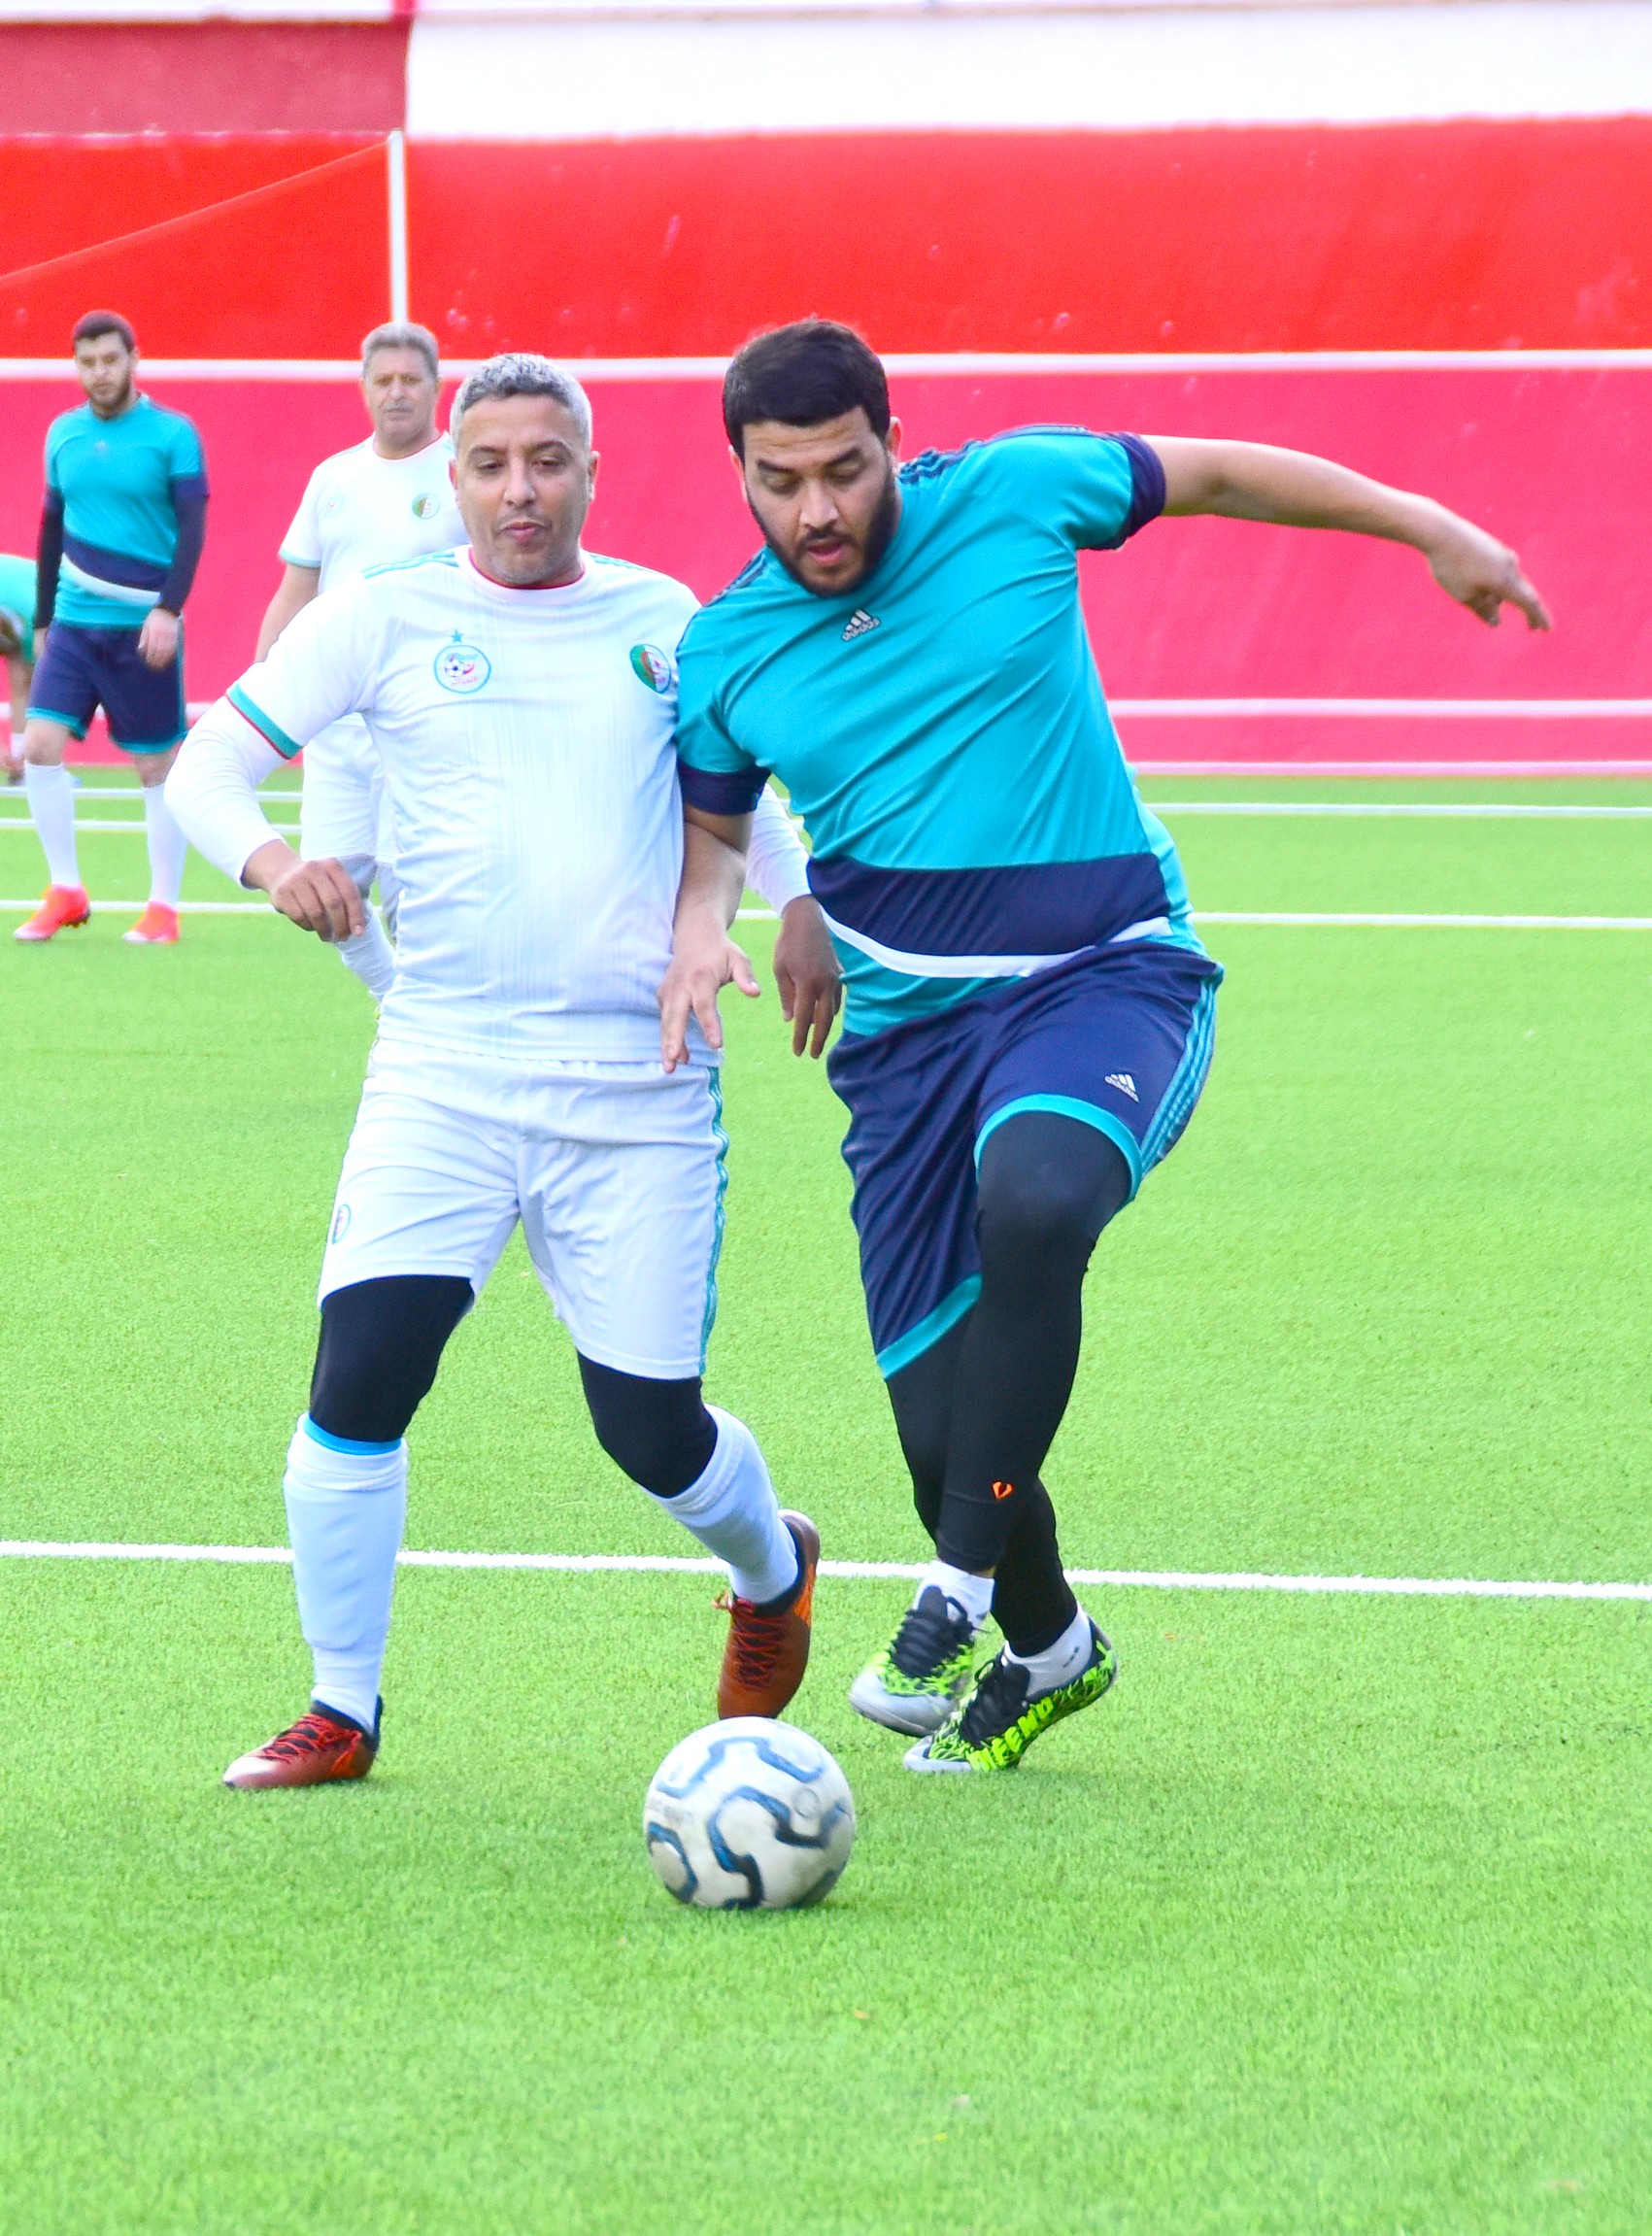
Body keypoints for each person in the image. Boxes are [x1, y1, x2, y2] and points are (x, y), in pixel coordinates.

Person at [665, 319, 1551, 1775]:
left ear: (893, 442)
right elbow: (713, 835)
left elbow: (1219, 473)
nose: (819, 509)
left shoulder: (1016, 493)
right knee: (943, 1435)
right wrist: (739, 918)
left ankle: (952, 1591)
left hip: (1104, 974)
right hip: (904, 1051)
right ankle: (1051, 1647)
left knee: (1039, 1198)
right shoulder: (726, 651)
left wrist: (1428, 525)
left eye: (845, 469)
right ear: (740, 475)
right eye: (782, 481)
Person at [168, 353, 839, 1790]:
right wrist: (277, 864)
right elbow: (204, 768)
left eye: (547, 460)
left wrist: (796, 908)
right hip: (444, 1072)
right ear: (453, 479)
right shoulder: (383, 617)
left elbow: (735, 803)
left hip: (637, 1084)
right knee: (359, 1378)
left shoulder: (666, 624)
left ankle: (772, 1568)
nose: (519, 489)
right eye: (490, 464)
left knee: (649, 1431)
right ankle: (341, 1705)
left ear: (591, 471)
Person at [253, 322, 464, 997]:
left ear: (436, 386)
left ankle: (422, 1020)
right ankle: (394, 1001)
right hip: (338, 721)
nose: (397, 393)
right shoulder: (333, 477)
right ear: (364, 388)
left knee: (412, 899)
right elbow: (296, 592)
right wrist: (263, 693)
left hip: (426, 717)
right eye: (383, 380)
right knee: (326, 895)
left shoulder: (467, 470)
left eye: (410, 380)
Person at [16, 310, 207, 945]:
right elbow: (50, 528)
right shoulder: (62, 434)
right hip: (74, 626)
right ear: (77, 366)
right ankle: (66, 890)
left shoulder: (173, 435)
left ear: (133, 360)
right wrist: (44, 620)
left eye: (110, 360)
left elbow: (193, 530)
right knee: (38, 746)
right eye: (88, 362)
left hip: (142, 628)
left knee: (155, 766)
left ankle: (163, 909)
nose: (99, 373)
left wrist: (168, 610)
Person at [0, 554, 35, 781]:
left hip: (35, 605)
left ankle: (27, 764)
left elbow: (27, 684)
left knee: (25, 677)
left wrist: (22, 754)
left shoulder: (33, 617)